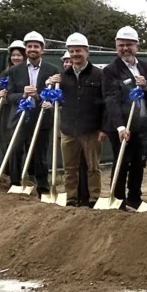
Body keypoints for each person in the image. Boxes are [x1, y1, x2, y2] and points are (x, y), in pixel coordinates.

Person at [101, 26, 147, 211]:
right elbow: (111, 99)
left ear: (137, 46)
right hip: (122, 127)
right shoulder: (111, 70)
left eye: (129, 45)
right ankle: (118, 200)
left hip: (142, 125)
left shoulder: (146, 67)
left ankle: (134, 199)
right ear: (116, 47)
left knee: (139, 163)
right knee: (122, 163)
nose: (125, 48)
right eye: (121, 45)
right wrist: (120, 127)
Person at [5, 31, 59, 194]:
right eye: (29, 46)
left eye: (36, 46)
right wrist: (23, 95)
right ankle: (15, 184)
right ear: (26, 49)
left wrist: (38, 97)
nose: (32, 49)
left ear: (42, 50)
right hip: (19, 118)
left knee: (40, 154)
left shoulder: (52, 70)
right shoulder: (14, 70)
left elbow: (55, 96)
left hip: (41, 118)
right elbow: (9, 95)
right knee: (15, 150)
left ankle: (42, 187)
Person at [57, 32, 105, 207]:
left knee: (93, 167)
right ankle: (71, 198)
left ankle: (94, 199)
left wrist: (103, 128)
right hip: (68, 130)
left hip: (91, 130)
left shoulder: (99, 75)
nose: (75, 54)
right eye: (72, 51)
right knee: (69, 168)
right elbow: (55, 99)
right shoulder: (62, 77)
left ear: (87, 51)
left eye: (78, 50)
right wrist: (51, 85)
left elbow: (105, 104)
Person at [0, 40, 26, 159]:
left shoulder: (28, 72)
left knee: (20, 143)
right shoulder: (5, 73)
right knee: (7, 142)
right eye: (13, 55)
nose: (16, 58)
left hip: (23, 109)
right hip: (7, 112)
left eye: (19, 55)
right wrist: (0, 95)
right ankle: (8, 168)